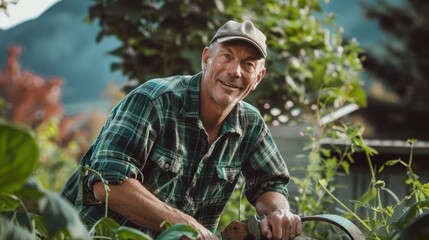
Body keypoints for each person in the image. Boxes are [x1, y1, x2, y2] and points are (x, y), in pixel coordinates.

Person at [60, 20, 302, 239]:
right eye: (226, 56)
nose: (234, 71)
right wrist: (183, 224)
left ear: (258, 77)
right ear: (206, 58)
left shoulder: (251, 124)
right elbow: (107, 183)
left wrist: (279, 213)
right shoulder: (155, 100)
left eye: (247, 64)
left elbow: (270, 183)